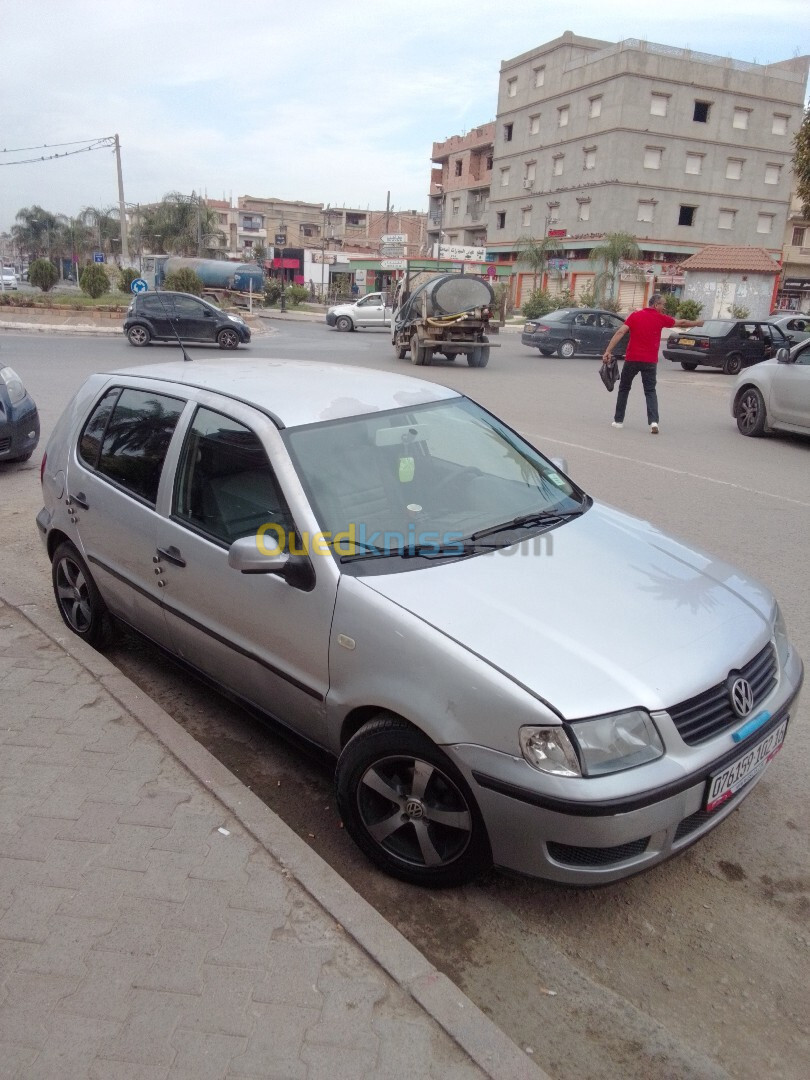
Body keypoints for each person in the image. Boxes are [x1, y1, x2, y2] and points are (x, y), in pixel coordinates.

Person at [602, 293, 703, 434]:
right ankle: (653, 422)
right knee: (650, 391)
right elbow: (682, 323)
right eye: (663, 304)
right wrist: (697, 323)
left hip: (632, 359)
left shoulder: (635, 316)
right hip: (649, 361)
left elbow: (620, 332)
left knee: (624, 388)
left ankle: (618, 421)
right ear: (656, 305)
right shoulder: (660, 318)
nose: (664, 307)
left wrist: (608, 351)